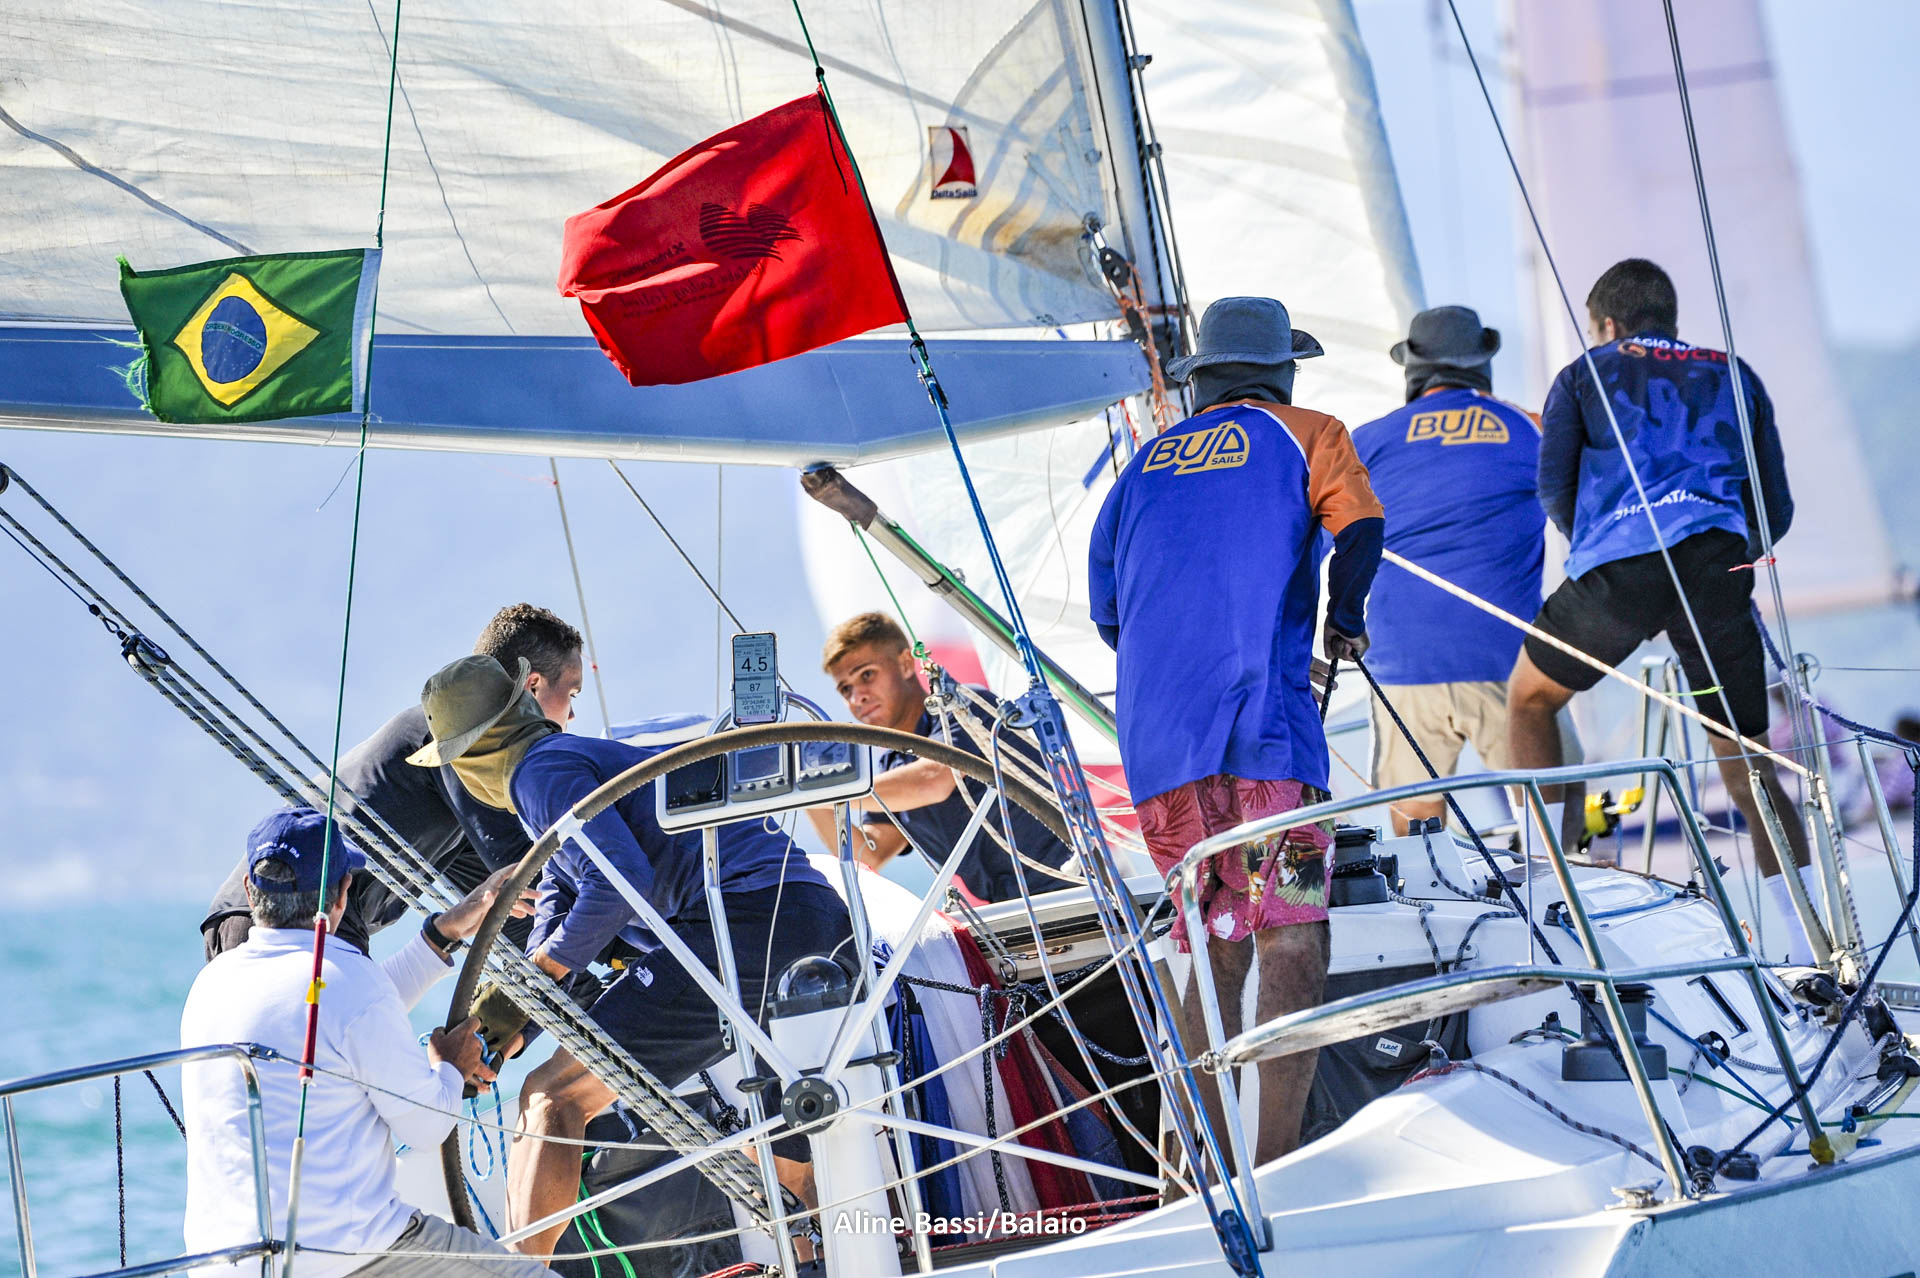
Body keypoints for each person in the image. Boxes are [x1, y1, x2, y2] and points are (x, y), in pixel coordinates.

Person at [407, 654, 854, 1258]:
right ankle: (823, 1262)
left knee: (551, 1094)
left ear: (472, 756)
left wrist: (545, 974)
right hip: (814, 920)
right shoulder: (565, 765)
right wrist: (505, 1023)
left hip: (744, 924)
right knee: (777, 1141)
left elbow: (617, 883)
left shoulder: (537, 774)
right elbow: (559, 907)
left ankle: (520, 1273)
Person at [1088, 295, 1383, 1166]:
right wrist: (1345, 622)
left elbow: (1112, 616)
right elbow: (1363, 528)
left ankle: (1209, 1174)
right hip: (1266, 738)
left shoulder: (1140, 469)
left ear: (1203, 380)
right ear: (1282, 371)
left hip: (1158, 758)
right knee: (1293, 928)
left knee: (1214, 940)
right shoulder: (1309, 432)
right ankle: (1275, 1164)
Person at [1506, 258, 1812, 954]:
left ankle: (1543, 899)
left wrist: (1601, 556)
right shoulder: (1734, 372)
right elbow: (1775, 507)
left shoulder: (1583, 373)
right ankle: (1811, 953)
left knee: (1529, 700)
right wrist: (1729, 560)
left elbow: (1554, 489)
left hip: (1620, 572)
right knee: (1750, 768)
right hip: (1715, 569)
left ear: (1608, 324)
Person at [181, 807, 548, 1278]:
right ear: (342, 893)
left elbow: (334, 1020)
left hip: (220, 1263)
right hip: (348, 1256)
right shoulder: (350, 983)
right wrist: (449, 1067)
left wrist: (444, 932)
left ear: (251, 892)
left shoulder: (210, 985)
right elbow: (426, 1127)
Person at [199, 603, 584, 958]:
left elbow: (515, 904)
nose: (572, 717)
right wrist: (609, 921)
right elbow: (522, 864)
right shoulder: (458, 743)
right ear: (532, 687)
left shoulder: (459, 785)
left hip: (293, 914)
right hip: (281, 911)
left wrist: (585, 978)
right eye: (572, 694)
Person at [1352, 306, 1586, 846]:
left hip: (1401, 662)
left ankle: (1435, 889)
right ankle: (1552, 881)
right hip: (1506, 661)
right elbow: (1586, 528)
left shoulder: (1369, 441)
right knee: (1564, 802)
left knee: (1419, 838)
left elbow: (1313, 545)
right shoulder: (1529, 430)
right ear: (1482, 364)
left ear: (1413, 370)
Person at [806, 612, 1076, 902]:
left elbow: (934, 780)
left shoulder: (964, 707)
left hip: (1074, 890)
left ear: (905, 664)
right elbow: (869, 855)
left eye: (867, 675)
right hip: (1013, 911)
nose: (856, 697)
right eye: (845, 689)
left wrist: (829, 790)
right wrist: (803, 793)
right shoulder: (892, 767)